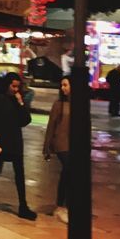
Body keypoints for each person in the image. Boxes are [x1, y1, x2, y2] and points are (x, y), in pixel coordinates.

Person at [0, 73, 36, 220]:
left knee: (19, 173)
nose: (15, 89)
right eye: (13, 86)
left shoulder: (16, 100)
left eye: (18, 86)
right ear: (7, 85)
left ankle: (23, 205)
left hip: (15, 141)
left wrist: (21, 103)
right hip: (2, 141)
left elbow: (25, 120)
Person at [43, 76, 71, 223]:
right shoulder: (58, 104)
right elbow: (51, 126)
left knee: (69, 174)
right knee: (68, 168)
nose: (63, 88)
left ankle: (64, 204)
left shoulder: (80, 104)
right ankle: (61, 206)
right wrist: (47, 147)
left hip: (73, 144)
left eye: (66, 85)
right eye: (62, 85)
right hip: (60, 143)